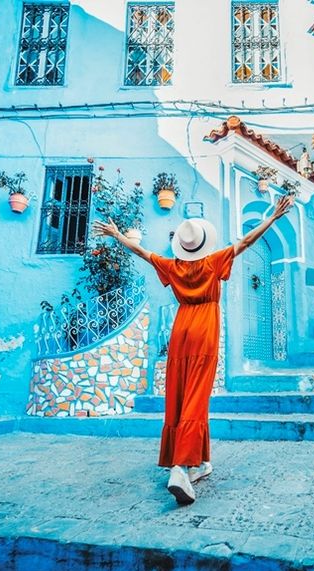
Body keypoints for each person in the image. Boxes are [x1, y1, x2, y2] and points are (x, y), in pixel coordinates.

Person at [92, 194, 293, 505]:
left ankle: (197, 461)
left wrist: (118, 235)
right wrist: (273, 218)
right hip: (204, 327)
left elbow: (142, 252)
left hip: (181, 328)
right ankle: (180, 467)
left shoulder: (172, 266)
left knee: (179, 394)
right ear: (203, 243)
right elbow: (247, 242)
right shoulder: (213, 262)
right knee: (197, 398)